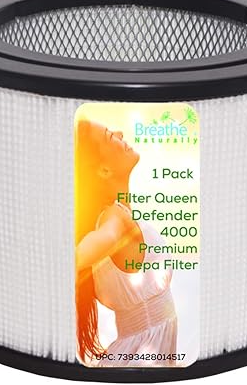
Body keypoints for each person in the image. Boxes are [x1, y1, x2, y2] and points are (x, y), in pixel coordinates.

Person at [75, 119, 177, 367]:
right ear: (104, 170)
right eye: (110, 135)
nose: (120, 132)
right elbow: (101, 241)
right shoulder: (114, 218)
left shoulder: (117, 214)